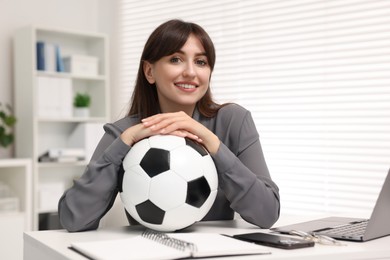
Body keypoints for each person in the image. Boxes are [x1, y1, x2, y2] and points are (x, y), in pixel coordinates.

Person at [58, 19, 280, 232]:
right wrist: (124, 143)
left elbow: (267, 213)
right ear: (149, 71)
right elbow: (73, 219)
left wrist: (213, 144)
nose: (191, 72)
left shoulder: (233, 120)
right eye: (176, 59)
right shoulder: (123, 132)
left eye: (201, 62)